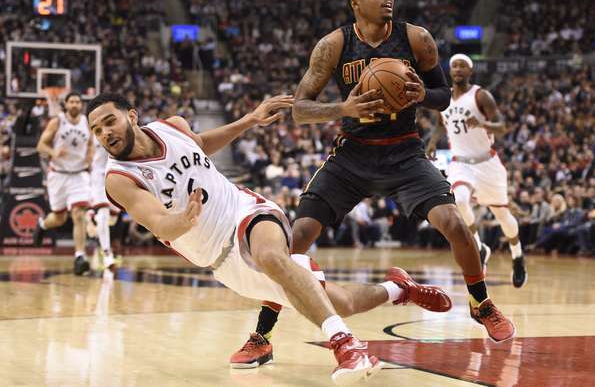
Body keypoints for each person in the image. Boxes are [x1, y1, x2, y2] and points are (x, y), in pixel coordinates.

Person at [233, 0, 515, 368]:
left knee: (453, 222)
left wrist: (423, 95)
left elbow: (441, 96)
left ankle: (481, 303)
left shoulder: (417, 38)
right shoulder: (333, 45)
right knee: (294, 239)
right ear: (355, 3)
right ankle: (262, 336)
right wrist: (342, 109)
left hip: (404, 152)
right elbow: (300, 108)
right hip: (353, 154)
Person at [87, 92, 453, 386]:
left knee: (270, 255)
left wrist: (249, 120)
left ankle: (346, 345)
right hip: (220, 259)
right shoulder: (119, 178)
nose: (105, 133)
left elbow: (199, 144)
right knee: (338, 301)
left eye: (110, 121)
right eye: (97, 130)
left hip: (245, 211)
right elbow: (159, 224)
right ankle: (398, 289)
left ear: (131, 116)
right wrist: (182, 220)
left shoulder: (172, 126)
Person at [426, 53, 527, 288]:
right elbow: (442, 125)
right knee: (459, 199)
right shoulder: (444, 99)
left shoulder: (481, 95)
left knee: (503, 216)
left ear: (470, 71)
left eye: (463, 66)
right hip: (460, 162)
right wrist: (433, 141)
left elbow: (502, 127)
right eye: (454, 66)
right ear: (450, 71)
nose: (458, 69)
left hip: (487, 163)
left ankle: (518, 256)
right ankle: (479, 247)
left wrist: (483, 124)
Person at [34, 92, 94, 275]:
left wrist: (90, 156)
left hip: (78, 175)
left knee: (78, 213)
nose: (75, 104)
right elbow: (40, 145)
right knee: (59, 218)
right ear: (66, 104)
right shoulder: (57, 122)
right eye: (72, 102)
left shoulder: (87, 122)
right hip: (58, 175)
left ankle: (80, 257)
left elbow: (91, 144)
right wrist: (53, 153)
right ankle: (43, 225)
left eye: (78, 101)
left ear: (81, 105)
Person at [88, 137, 117, 270]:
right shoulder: (90, 133)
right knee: (104, 214)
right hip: (98, 176)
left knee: (112, 220)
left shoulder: (122, 129)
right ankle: (107, 253)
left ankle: (93, 219)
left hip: (117, 174)